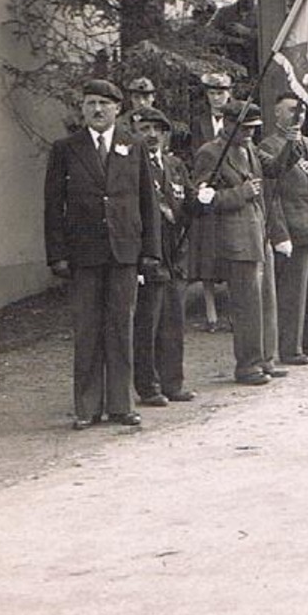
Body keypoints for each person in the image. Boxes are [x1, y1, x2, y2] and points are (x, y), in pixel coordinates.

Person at [44, 80, 160, 429]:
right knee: (88, 328)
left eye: (104, 104)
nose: (97, 110)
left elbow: (147, 203)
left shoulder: (133, 145)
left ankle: (121, 405)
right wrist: (57, 255)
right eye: (91, 103)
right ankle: (87, 407)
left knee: (121, 327)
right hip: (84, 253)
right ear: (82, 108)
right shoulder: (66, 149)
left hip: (124, 250)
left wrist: (151, 251)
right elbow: (52, 206)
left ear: (117, 109)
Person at [193, 102, 284, 385]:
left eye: (253, 129)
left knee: (266, 302)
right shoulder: (210, 153)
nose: (249, 134)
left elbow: (276, 168)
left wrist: (292, 139)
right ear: (227, 124)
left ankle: (266, 359)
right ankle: (247, 365)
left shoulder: (251, 149)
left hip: (259, 233)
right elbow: (203, 199)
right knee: (246, 306)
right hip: (235, 238)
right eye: (244, 129)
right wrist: (240, 193)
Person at [258, 94, 308, 364]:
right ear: (277, 114)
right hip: (293, 226)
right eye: (292, 110)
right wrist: (280, 233)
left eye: (302, 112)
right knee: (293, 294)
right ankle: (291, 348)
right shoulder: (268, 146)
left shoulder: (307, 142)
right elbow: (272, 193)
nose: (298, 116)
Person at [130, 108, 195, 405]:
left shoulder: (175, 166)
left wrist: (203, 200)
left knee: (173, 323)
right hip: (149, 257)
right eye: (145, 129)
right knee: (148, 325)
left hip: (176, 255)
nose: (152, 135)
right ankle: (149, 386)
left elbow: (189, 202)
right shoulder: (130, 167)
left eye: (158, 129)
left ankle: (173, 383)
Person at [185, 72, 236, 332]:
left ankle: (232, 312)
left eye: (221, 92)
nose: (217, 98)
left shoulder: (237, 119)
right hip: (207, 188)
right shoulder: (199, 122)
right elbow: (196, 155)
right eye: (212, 93)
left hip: (230, 190)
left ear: (229, 92)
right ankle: (211, 312)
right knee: (206, 249)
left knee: (230, 248)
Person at [207, 0, 260, 72]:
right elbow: (208, 34)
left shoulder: (264, 14)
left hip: (258, 64)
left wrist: (247, 32)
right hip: (230, 65)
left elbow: (272, 36)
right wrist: (234, 40)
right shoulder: (225, 13)